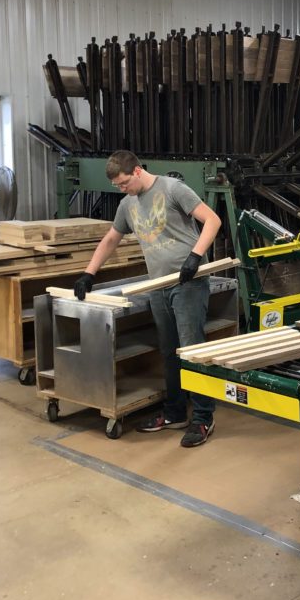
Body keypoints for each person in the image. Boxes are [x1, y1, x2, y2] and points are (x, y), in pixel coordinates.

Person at [74, 151, 222, 448]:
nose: (122, 189)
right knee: (169, 352)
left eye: (124, 183)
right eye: (117, 185)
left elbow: (212, 220)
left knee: (192, 350)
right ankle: (175, 413)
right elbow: (111, 239)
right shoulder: (127, 204)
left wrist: (195, 257)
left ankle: (203, 418)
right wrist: (89, 273)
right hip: (158, 285)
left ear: (138, 171)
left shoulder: (172, 188)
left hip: (188, 283)